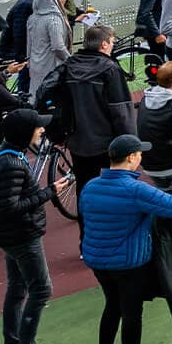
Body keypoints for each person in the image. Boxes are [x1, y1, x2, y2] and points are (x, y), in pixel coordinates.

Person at [80, 133, 172, 344]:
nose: (141, 157)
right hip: (129, 263)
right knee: (132, 314)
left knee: (112, 308)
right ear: (131, 157)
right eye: (139, 153)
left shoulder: (91, 186)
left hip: (98, 260)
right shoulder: (135, 189)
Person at [0, 107, 69, 344]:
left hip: (10, 235)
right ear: (25, 133)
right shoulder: (12, 164)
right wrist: (49, 192)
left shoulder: (5, 156)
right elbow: (11, 207)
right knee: (41, 289)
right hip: (21, 235)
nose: (42, 130)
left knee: (17, 289)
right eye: (38, 127)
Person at [60, 23, 137, 214]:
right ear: (104, 44)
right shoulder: (110, 69)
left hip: (78, 140)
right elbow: (121, 110)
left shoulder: (69, 65)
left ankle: (85, 234)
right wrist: (131, 143)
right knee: (116, 190)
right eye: (111, 42)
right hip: (106, 141)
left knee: (84, 190)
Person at [1, 0, 62, 81]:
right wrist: (26, 59)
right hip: (23, 54)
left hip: (31, 51)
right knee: (26, 82)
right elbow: (20, 34)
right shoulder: (27, 4)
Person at [24, 0, 71, 105]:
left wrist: (29, 63)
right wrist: (70, 60)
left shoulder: (32, 17)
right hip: (51, 64)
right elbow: (58, 46)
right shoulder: (54, 19)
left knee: (35, 95)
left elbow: (29, 44)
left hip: (35, 63)